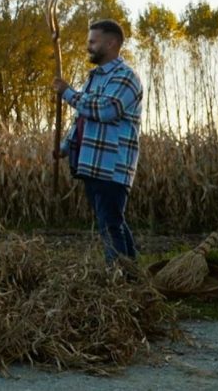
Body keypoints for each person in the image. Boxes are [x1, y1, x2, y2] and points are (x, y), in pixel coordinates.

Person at [53, 19, 144, 267]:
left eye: (93, 41)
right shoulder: (94, 79)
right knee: (112, 221)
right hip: (92, 164)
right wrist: (64, 147)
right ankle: (131, 275)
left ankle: (119, 277)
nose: (88, 47)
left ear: (111, 42)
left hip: (112, 166)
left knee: (110, 224)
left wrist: (68, 94)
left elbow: (106, 110)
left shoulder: (126, 77)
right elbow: (82, 119)